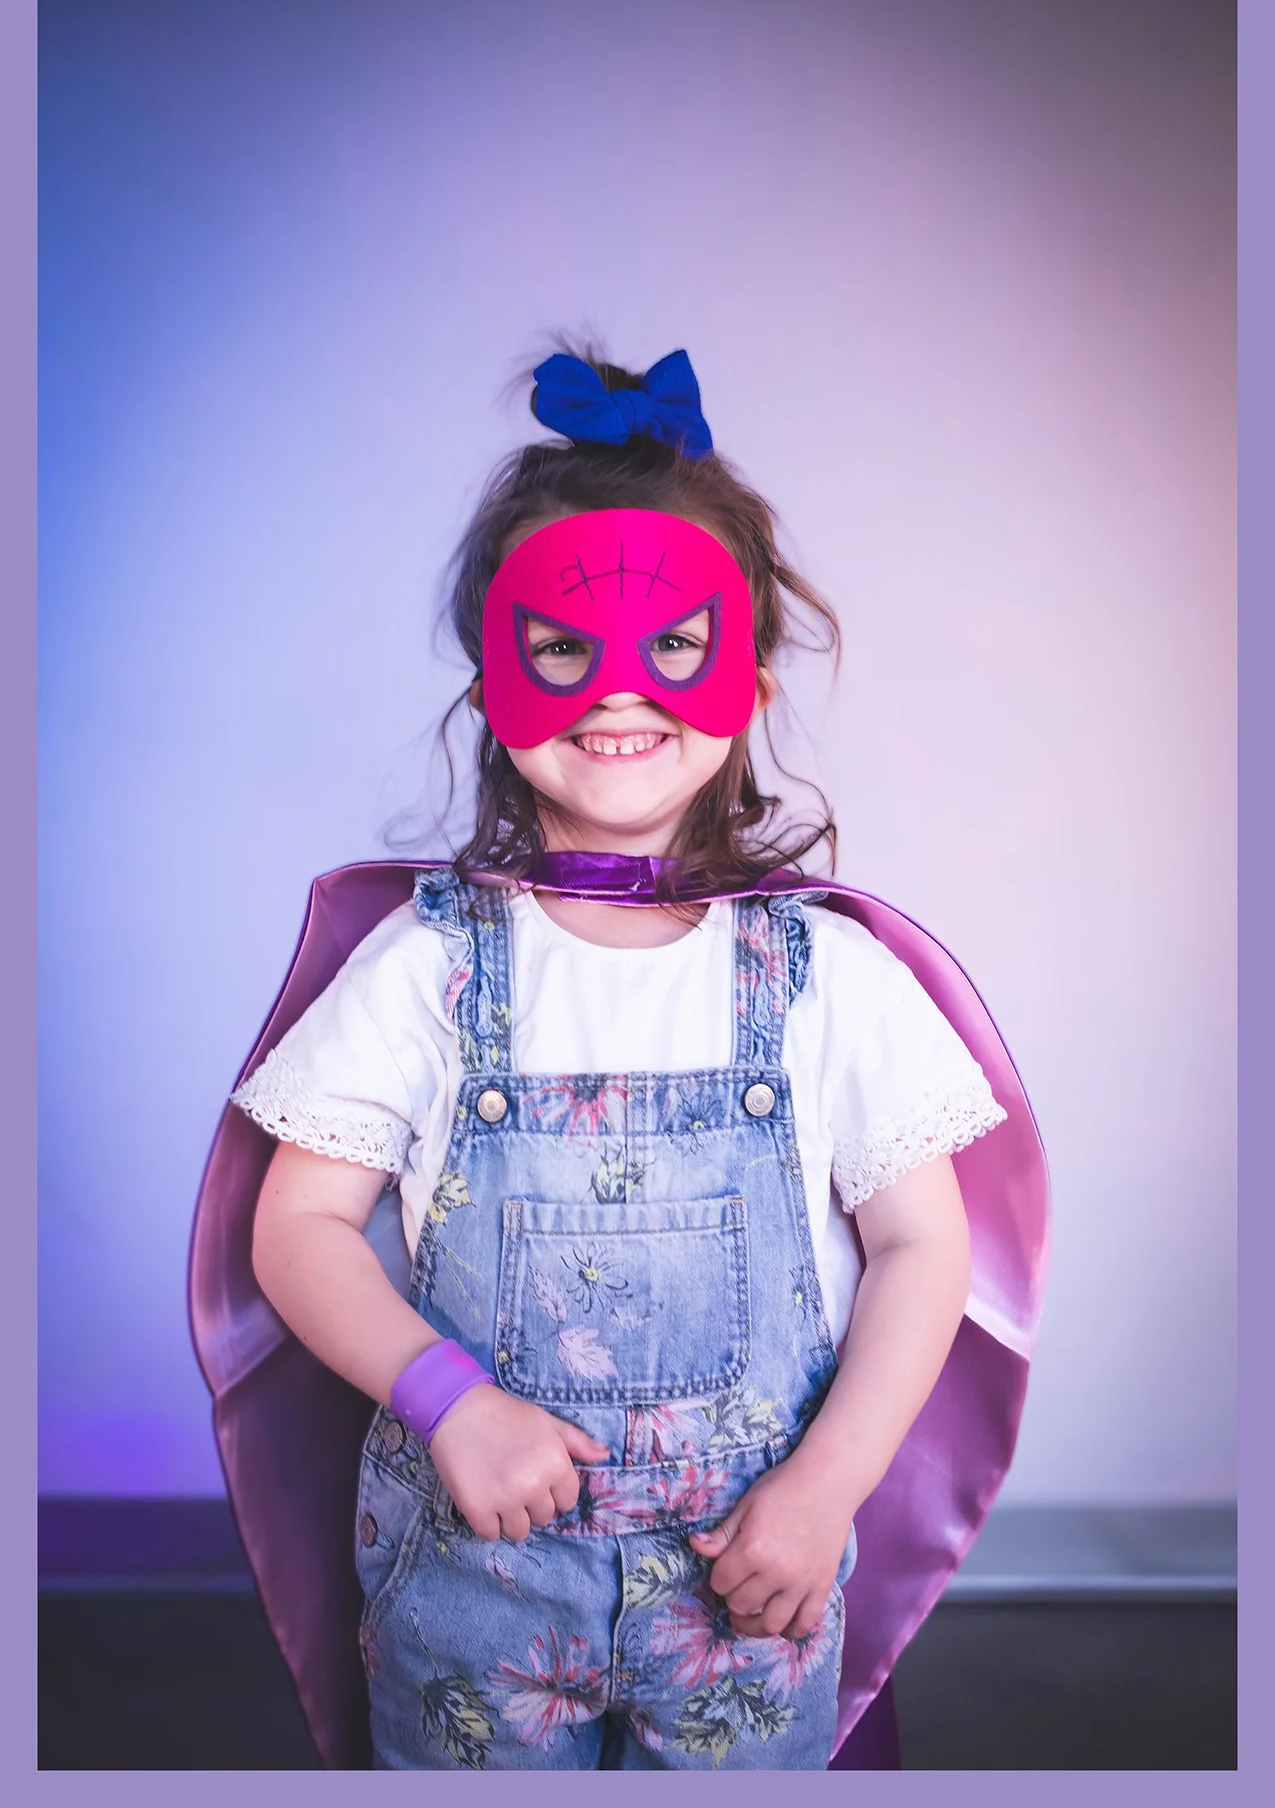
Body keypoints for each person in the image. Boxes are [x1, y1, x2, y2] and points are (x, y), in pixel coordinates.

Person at [208, 345, 1045, 1771]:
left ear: (749, 678)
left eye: (674, 643)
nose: (618, 688)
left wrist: (827, 1487)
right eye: (559, 645)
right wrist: (442, 1396)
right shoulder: (423, 968)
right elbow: (294, 1224)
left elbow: (921, 1246)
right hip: (471, 1589)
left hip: (749, 1580)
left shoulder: (826, 979)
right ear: (492, 672)